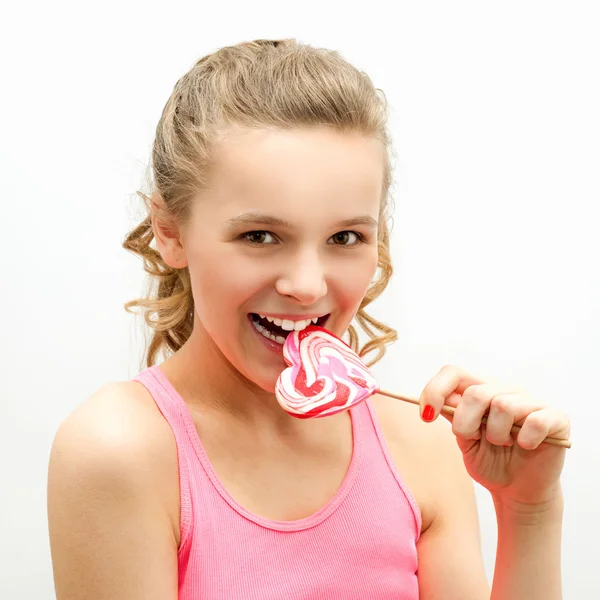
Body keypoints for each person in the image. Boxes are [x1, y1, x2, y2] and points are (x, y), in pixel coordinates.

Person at [47, 39, 570, 600]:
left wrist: (528, 511)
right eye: (260, 236)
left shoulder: (420, 448)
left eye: (345, 237)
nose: (307, 285)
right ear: (171, 231)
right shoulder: (121, 449)